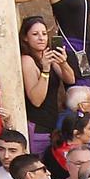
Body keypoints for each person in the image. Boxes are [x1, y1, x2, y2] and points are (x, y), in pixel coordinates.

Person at [19, 15, 73, 155]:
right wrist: (45, 70)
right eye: (35, 34)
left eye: (44, 33)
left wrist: (63, 62)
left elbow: (70, 80)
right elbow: (36, 100)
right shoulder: (27, 60)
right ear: (26, 38)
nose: (41, 38)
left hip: (53, 125)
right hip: (38, 126)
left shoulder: (48, 55)